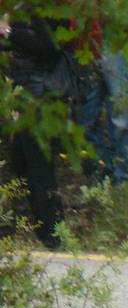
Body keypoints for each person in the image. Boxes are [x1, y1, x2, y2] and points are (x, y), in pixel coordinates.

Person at [1, 14, 67, 248]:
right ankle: (45, 232)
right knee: (21, 163)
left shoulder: (46, 10)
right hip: (21, 91)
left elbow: (49, 47)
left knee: (39, 165)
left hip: (41, 94)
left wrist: (9, 32)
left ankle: (54, 235)